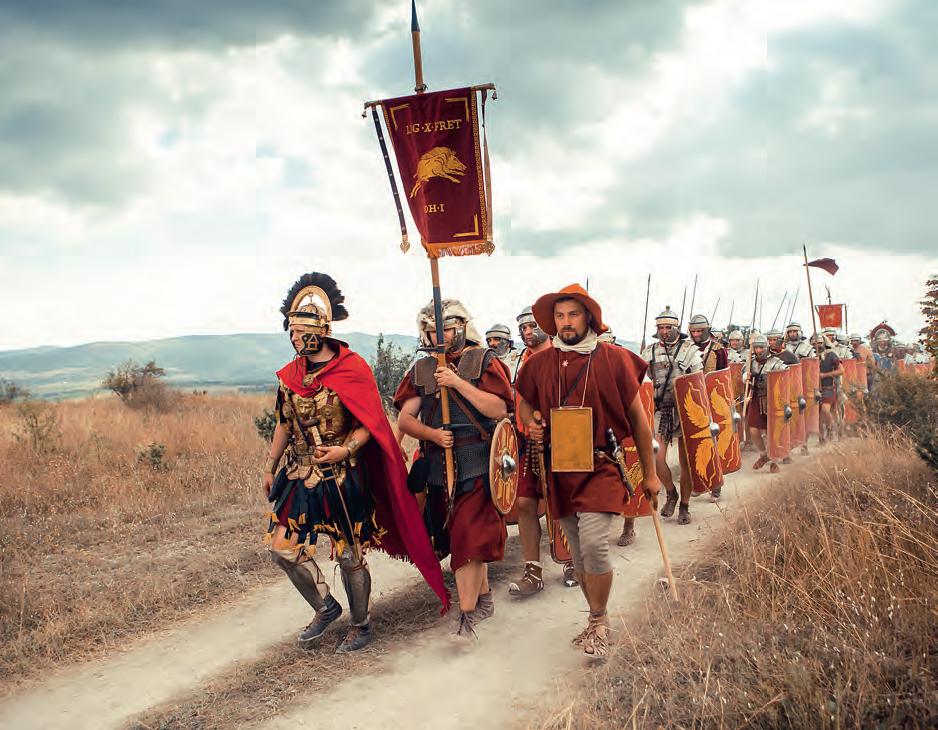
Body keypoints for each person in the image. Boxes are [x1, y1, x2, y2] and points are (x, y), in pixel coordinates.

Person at [263, 273, 448, 654]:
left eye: (301, 332)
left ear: (321, 331)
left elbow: (370, 422)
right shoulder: (290, 376)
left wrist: (345, 450)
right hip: (299, 474)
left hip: (342, 475)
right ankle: (325, 607)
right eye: (292, 332)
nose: (295, 338)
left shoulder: (351, 368)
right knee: (281, 548)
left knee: (349, 554)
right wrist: (270, 466)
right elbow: (283, 422)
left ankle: (360, 624)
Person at [515, 284, 659, 659]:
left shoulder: (614, 359)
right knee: (578, 557)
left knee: (594, 546)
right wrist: (532, 421)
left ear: (588, 318)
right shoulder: (539, 364)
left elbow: (639, 421)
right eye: (559, 316)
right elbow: (524, 404)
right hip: (559, 470)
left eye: (573, 315)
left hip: (601, 466)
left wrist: (650, 473)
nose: (566, 322)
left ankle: (600, 619)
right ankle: (596, 617)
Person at [394, 300, 513, 645]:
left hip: (479, 462)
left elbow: (498, 408)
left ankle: (466, 616)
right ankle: (484, 600)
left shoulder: (484, 360)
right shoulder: (422, 369)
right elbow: (405, 420)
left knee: (468, 538)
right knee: (462, 538)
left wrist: (457, 383)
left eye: (444, 329)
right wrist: (431, 435)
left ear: (461, 327)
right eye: (432, 331)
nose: (438, 336)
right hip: (439, 467)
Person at [507, 306, 578, 597]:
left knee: (566, 502)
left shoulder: (564, 356)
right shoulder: (515, 361)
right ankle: (533, 571)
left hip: (562, 440)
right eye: (522, 328)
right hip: (527, 441)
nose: (527, 332)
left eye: (532, 326)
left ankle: (573, 560)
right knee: (525, 503)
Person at [641, 306, 703, 524]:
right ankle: (671, 493)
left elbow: (698, 384)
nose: (664, 331)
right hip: (661, 409)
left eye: (668, 327)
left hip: (686, 410)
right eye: (661, 327)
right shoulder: (649, 352)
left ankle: (684, 505)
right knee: (656, 455)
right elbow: (641, 380)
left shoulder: (690, 350)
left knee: (687, 463)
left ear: (676, 328)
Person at [744, 332, 788, 473]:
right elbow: (744, 374)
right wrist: (746, 376)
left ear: (766, 347)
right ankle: (763, 455)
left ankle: (774, 460)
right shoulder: (751, 362)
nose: (758, 350)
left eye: (761, 347)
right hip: (756, 398)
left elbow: (785, 377)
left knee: (771, 431)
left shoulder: (776, 363)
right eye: (756, 348)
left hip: (773, 400)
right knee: (753, 429)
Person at [813, 332, 844, 443]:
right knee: (818, 416)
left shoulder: (831, 355)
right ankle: (822, 439)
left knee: (826, 410)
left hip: (829, 388)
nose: (818, 345)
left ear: (824, 343)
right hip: (815, 389)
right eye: (815, 343)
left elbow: (841, 370)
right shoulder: (811, 356)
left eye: (820, 343)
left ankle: (832, 428)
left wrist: (824, 375)